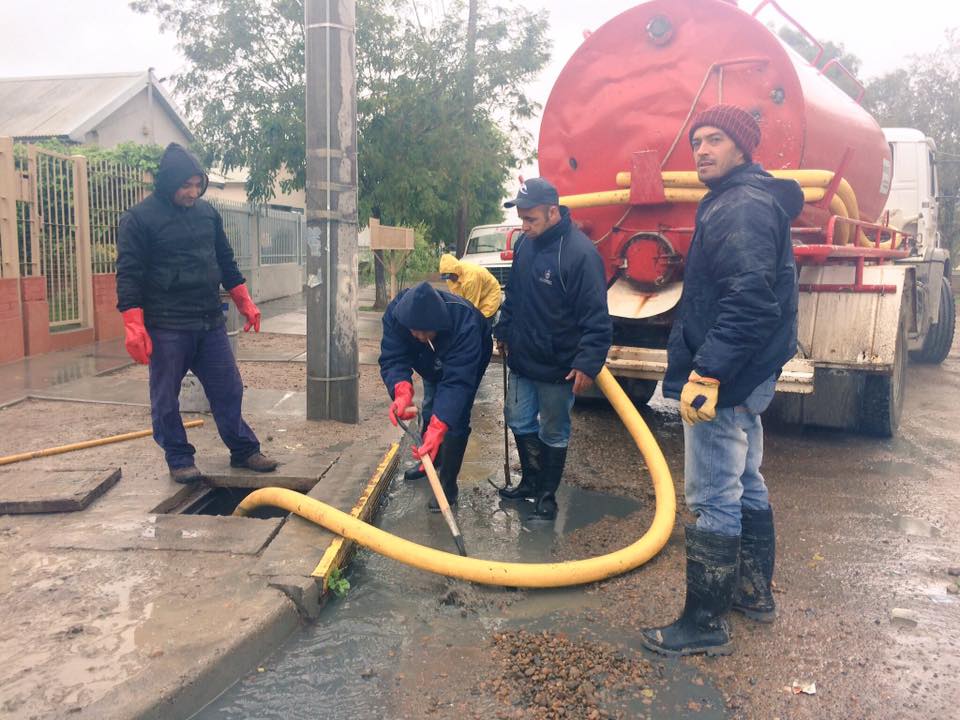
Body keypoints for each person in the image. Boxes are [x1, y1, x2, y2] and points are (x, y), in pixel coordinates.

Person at [640, 105, 803, 656]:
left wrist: (707, 370)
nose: (702, 151)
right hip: (748, 368)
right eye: (697, 142)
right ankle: (753, 594)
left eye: (715, 140)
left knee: (713, 493)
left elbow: (750, 298)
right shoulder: (745, 199)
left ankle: (704, 624)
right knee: (746, 479)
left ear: (741, 147)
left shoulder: (739, 206)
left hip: (728, 373)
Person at [116, 143, 277, 483]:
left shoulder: (207, 214)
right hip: (166, 325)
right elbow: (129, 274)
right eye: (185, 185)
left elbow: (225, 260)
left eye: (197, 185)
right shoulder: (139, 219)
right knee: (165, 398)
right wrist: (133, 325)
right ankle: (178, 458)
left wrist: (244, 301)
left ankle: (244, 450)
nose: (192, 192)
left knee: (229, 388)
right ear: (168, 183)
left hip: (209, 321)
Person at [494, 177, 612, 521]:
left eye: (531, 219)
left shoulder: (580, 254)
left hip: (559, 365)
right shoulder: (525, 247)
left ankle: (547, 493)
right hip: (523, 358)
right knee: (517, 418)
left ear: (553, 213)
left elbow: (596, 316)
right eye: (521, 218)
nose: (524, 226)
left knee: (554, 430)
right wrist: (503, 329)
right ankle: (530, 482)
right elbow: (513, 294)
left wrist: (588, 363)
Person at [379, 281, 493, 511]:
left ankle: (448, 485)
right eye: (415, 331)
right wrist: (401, 392)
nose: (419, 336)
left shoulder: (464, 322)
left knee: (454, 418)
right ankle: (430, 462)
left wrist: (439, 427)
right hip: (429, 359)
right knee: (431, 406)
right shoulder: (397, 315)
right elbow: (393, 357)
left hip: (469, 356)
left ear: (438, 324)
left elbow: (457, 384)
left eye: (425, 331)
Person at [438, 253, 502, 328]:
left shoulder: (471, 279)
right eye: (447, 277)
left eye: (450, 276)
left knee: (481, 322)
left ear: (455, 271)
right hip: (475, 294)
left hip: (489, 295)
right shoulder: (450, 278)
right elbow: (457, 298)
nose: (450, 279)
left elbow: (471, 306)